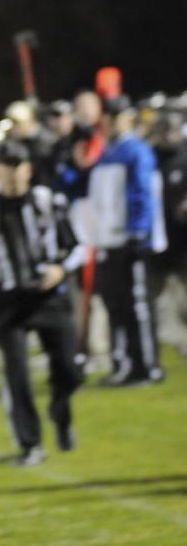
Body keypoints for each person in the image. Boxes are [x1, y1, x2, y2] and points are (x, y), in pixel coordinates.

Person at [0, 139, 85, 465]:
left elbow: (78, 247)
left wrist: (60, 269)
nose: (13, 172)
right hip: (7, 303)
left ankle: (60, 407)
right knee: (17, 374)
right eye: (6, 165)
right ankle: (31, 444)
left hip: (49, 298)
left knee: (71, 370)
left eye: (18, 165)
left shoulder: (49, 203)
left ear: (28, 168)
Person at [88, 95, 166, 385]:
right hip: (109, 241)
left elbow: (142, 194)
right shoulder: (107, 152)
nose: (111, 121)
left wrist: (138, 233)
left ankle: (147, 366)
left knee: (137, 306)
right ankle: (125, 365)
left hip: (128, 241)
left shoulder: (135, 151)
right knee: (116, 306)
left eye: (116, 115)